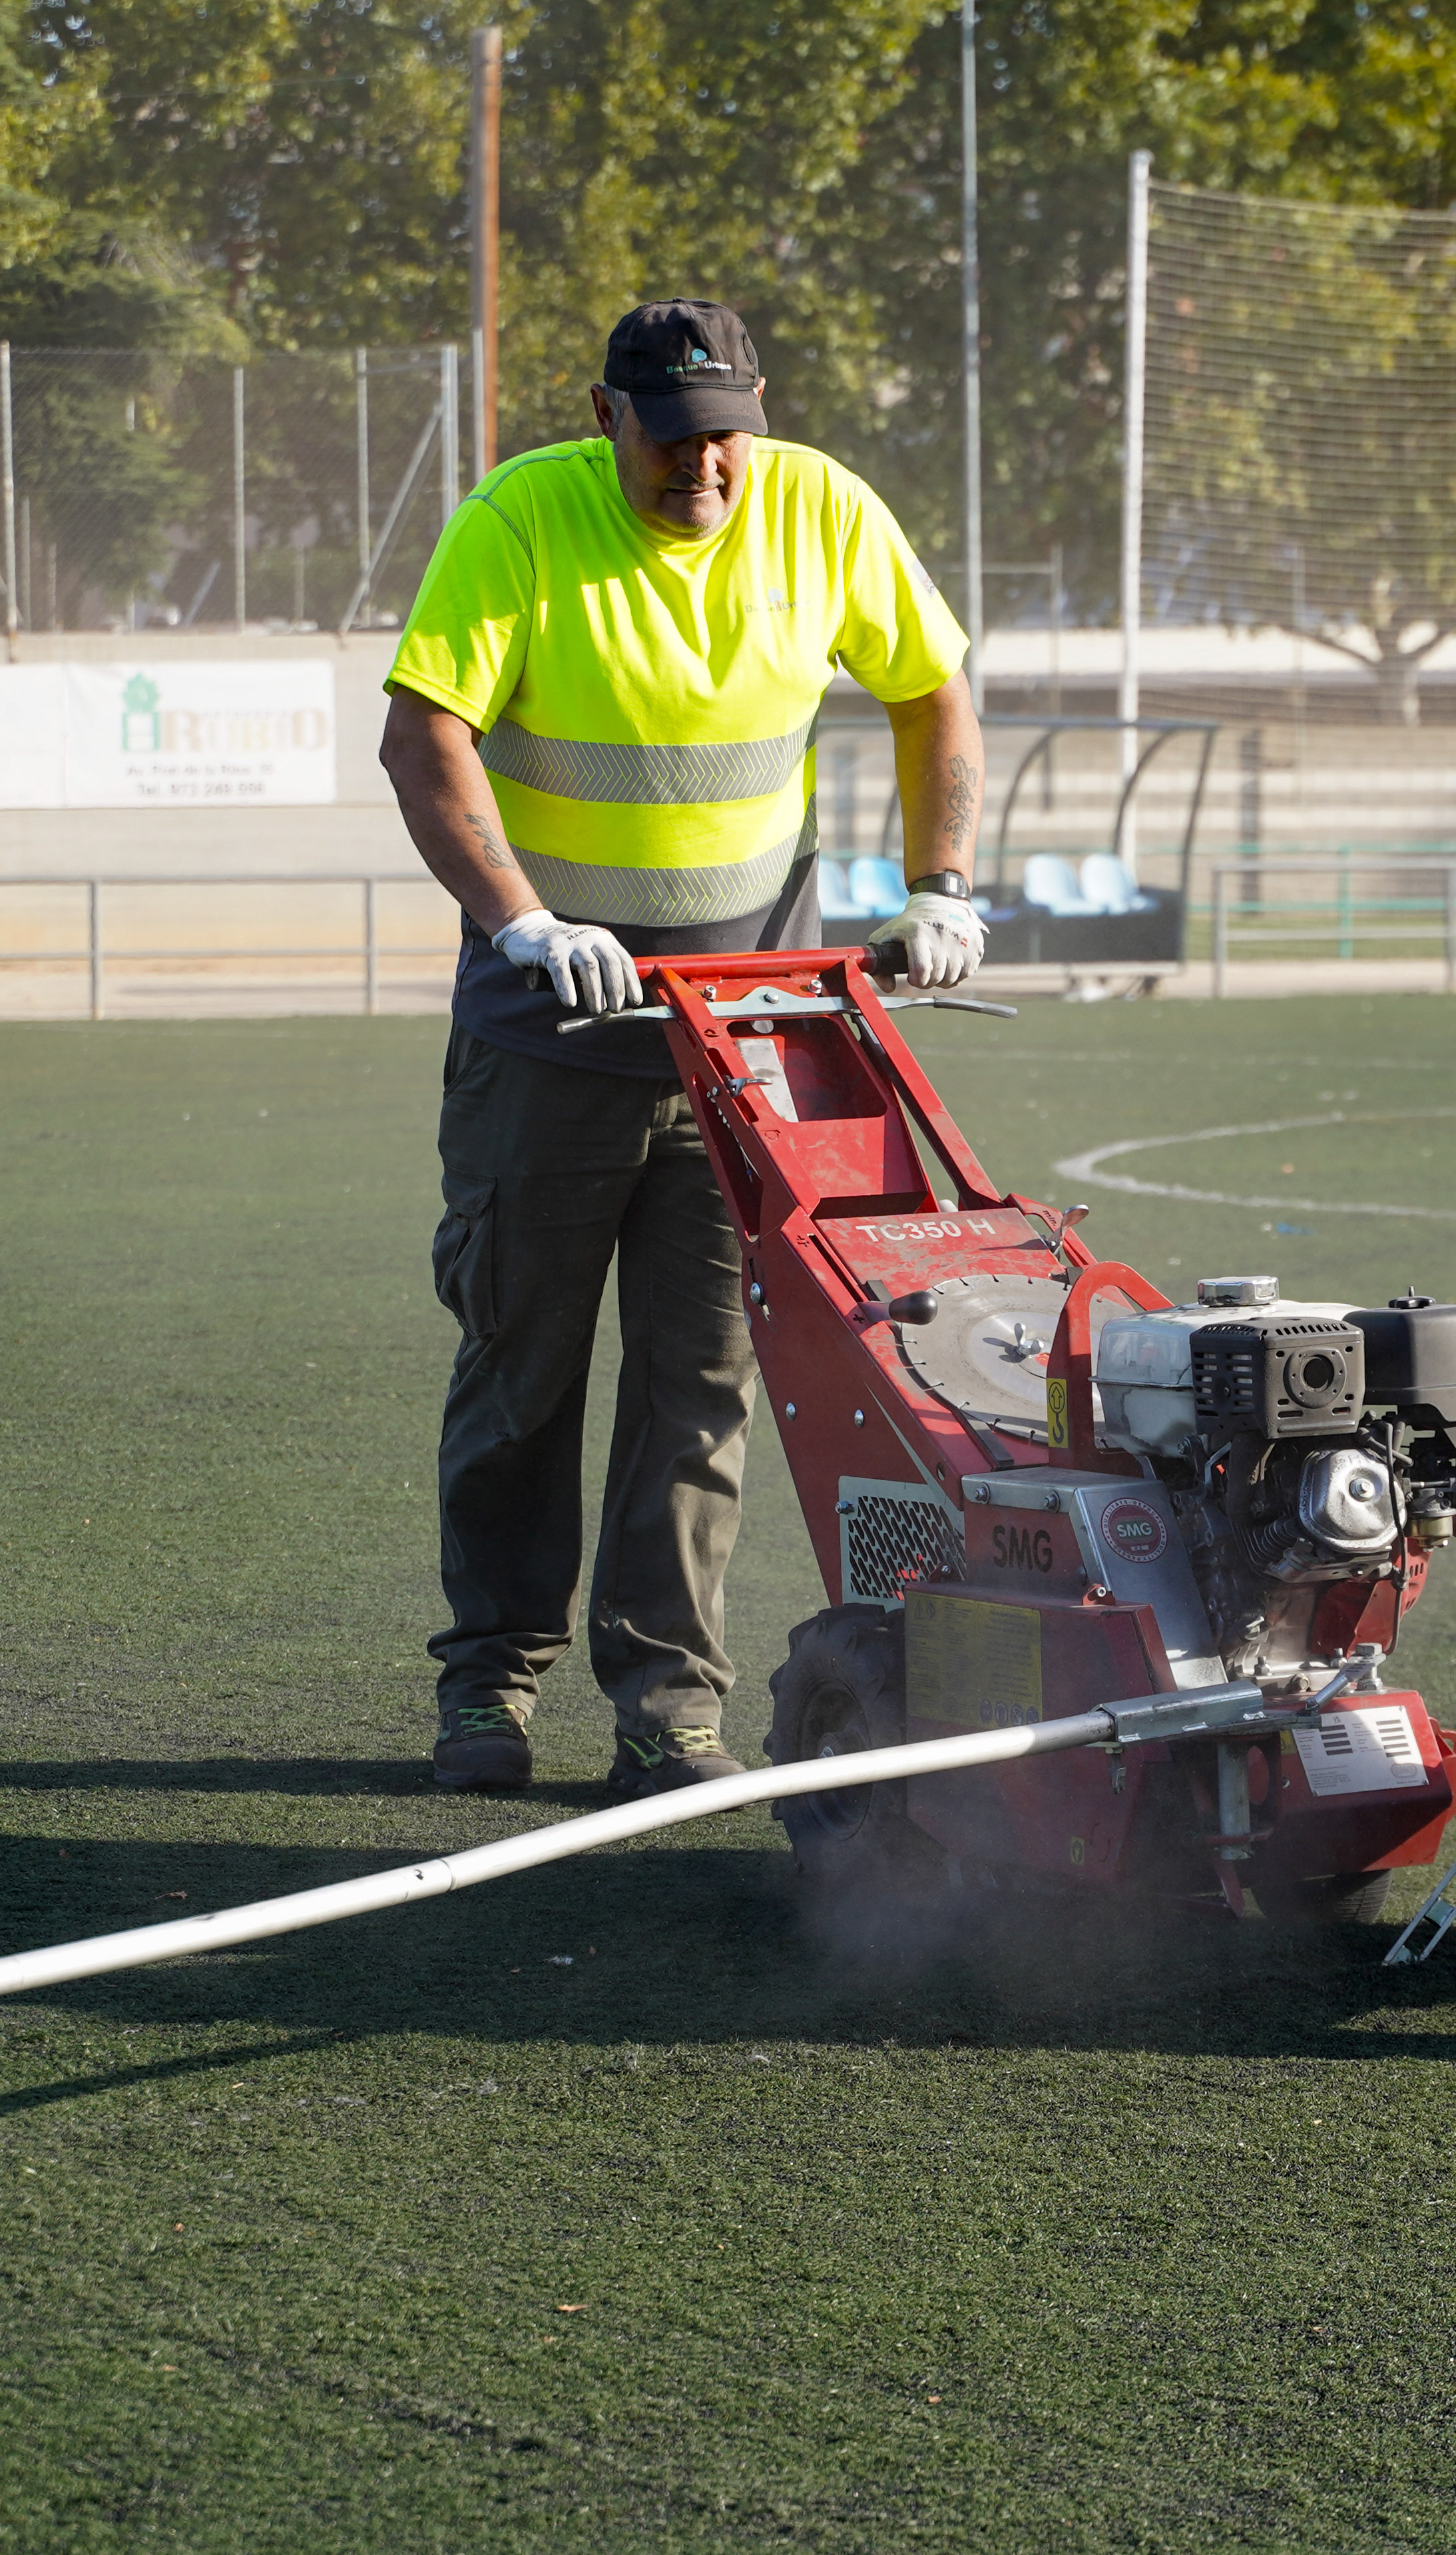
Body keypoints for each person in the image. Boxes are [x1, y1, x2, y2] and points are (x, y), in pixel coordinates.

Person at [377, 298, 981, 1799]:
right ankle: (489, 1689)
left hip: (747, 1040)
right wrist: (520, 919)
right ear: (609, 417)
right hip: (551, 1026)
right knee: (521, 1366)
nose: (705, 470)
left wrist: (943, 884)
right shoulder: (521, 519)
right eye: (673, 439)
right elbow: (422, 732)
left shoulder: (820, 508)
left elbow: (931, 687)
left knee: (701, 1377)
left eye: (729, 436)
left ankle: (666, 1703)